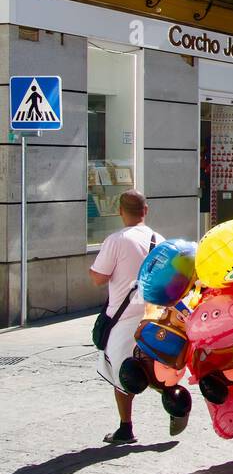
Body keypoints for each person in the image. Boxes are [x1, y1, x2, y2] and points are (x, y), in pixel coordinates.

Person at [90, 190, 163, 445]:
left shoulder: (116, 240)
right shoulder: (159, 240)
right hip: (152, 318)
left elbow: (98, 277)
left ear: (120, 211)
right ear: (146, 210)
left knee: (122, 374)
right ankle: (176, 404)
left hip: (121, 320)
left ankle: (126, 427)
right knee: (156, 369)